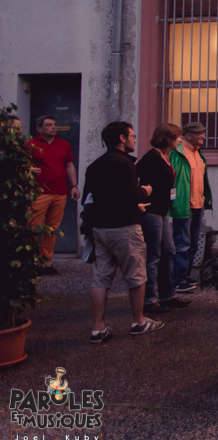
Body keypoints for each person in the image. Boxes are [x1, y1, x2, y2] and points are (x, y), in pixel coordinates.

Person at [82, 121, 162, 342]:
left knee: (101, 278)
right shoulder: (126, 164)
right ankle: (138, 322)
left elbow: (89, 199)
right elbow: (129, 196)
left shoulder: (94, 166)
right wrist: (144, 192)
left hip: (100, 228)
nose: (134, 139)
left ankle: (98, 328)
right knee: (136, 276)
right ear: (121, 138)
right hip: (125, 227)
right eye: (132, 136)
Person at [135, 123, 189, 315]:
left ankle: (167, 295)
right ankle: (150, 299)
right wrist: (141, 196)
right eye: (177, 137)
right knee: (154, 255)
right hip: (152, 211)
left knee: (168, 251)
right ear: (168, 138)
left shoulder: (166, 157)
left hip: (162, 211)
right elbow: (135, 175)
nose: (180, 140)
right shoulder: (152, 157)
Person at [27, 114, 80, 274]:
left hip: (60, 192)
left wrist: (74, 186)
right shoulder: (30, 145)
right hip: (39, 192)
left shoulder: (64, 144)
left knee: (52, 228)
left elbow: (69, 165)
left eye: (54, 124)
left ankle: (45, 262)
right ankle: (30, 261)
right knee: (33, 227)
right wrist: (29, 170)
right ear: (39, 128)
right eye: (49, 125)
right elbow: (21, 165)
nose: (53, 127)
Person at [169, 122, 212, 294]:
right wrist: (173, 201)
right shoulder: (177, 153)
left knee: (193, 243)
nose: (203, 136)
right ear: (189, 135)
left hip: (198, 204)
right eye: (200, 133)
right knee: (182, 243)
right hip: (183, 204)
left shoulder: (198, 153)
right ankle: (178, 280)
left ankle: (185, 276)